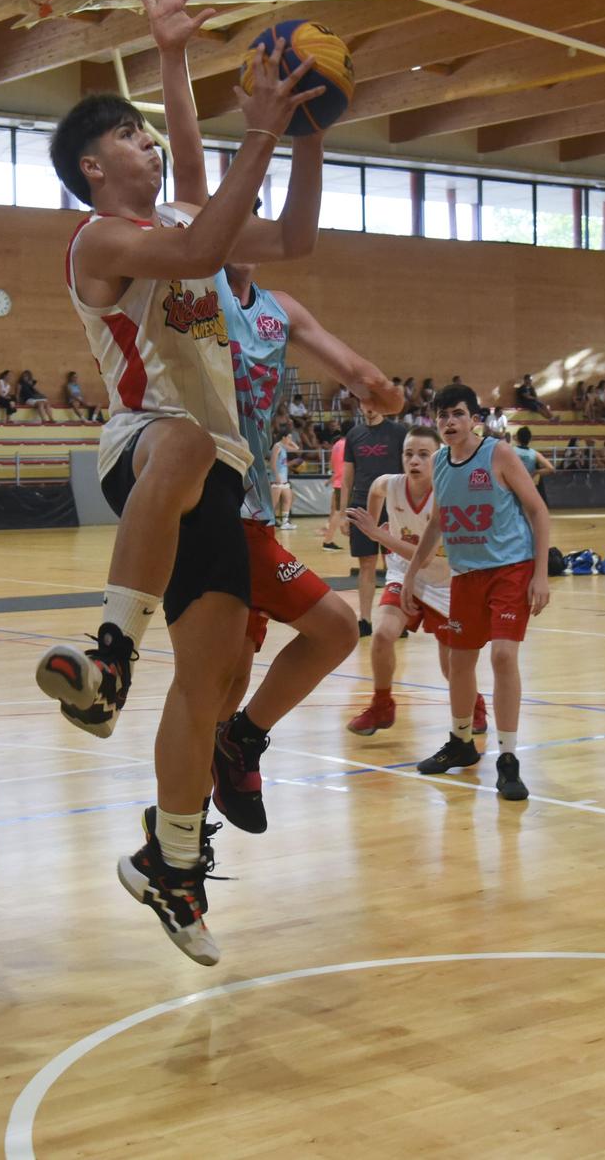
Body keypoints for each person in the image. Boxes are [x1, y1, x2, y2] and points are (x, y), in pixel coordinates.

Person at [33, 0, 327, 966]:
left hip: (218, 474)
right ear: (91, 163)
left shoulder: (175, 222)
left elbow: (287, 235)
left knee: (208, 681)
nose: (152, 144)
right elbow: (205, 233)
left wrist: (306, 130)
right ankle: (109, 649)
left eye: (152, 133)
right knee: (188, 439)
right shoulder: (101, 240)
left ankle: (168, 862)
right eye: (133, 137)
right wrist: (253, 127)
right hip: (144, 445)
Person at [206, 258, 396, 838]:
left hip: (254, 509)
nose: (253, 224)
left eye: (259, 212)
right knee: (335, 630)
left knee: (231, 676)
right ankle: (231, 755)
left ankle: (193, 814)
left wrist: (379, 389)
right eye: (241, 210)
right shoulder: (192, 292)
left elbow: (355, 368)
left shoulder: (278, 308)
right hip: (213, 507)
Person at [400, 383, 553, 802]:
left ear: (474, 420)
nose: (449, 422)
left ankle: (507, 757)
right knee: (458, 661)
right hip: (466, 574)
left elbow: (538, 510)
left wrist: (541, 574)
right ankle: (462, 742)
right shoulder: (440, 464)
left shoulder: (498, 454)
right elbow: (438, 522)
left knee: (503, 656)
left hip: (510, 569)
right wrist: (412, 573)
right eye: (442, 415)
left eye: (457, 414)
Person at [345, 426, 486, 736]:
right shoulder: (390, 484)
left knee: (450, 666)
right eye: (409, 454)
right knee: (382, 635)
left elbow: (424, 556)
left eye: (424, 455)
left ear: (439, 459)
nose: (415, 461)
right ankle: (382, 705)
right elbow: (375, 489)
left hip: (445, 582)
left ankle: (474, 705)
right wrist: (374, 522)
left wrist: (377, 533)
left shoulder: (449, 495)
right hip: (403, 575)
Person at [344, 401, 409, 637]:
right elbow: (347, 477)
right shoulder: (354, 434)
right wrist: (343, 512)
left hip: (392, 505)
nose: (369, 407)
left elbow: (407, 470)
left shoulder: (399, 432)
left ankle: (396, 617)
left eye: (373, 403)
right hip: (361, 505)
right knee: (366, 564)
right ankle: (365, 619)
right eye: (364, 403)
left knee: (394, 563)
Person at [322, 430, 347, 551]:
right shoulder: (347, 444)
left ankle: (330, 537)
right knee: (338, 512)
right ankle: (328, 541)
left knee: (336, 510)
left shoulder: (336, 445)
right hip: (344, 483)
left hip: (338, 482)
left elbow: (332, 466)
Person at [270, 428, 299, 529]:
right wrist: (276, 476)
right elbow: (272, 463)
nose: (290, 439)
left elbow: (297, 448)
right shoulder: (277, 446)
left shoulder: (283, 446)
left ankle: (285, 522)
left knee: (288, 499)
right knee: (274, 503)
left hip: (284, 480)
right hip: (277, 480)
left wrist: (291, 441)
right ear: (283, 437)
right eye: (289, 437)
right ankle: (270, 521)